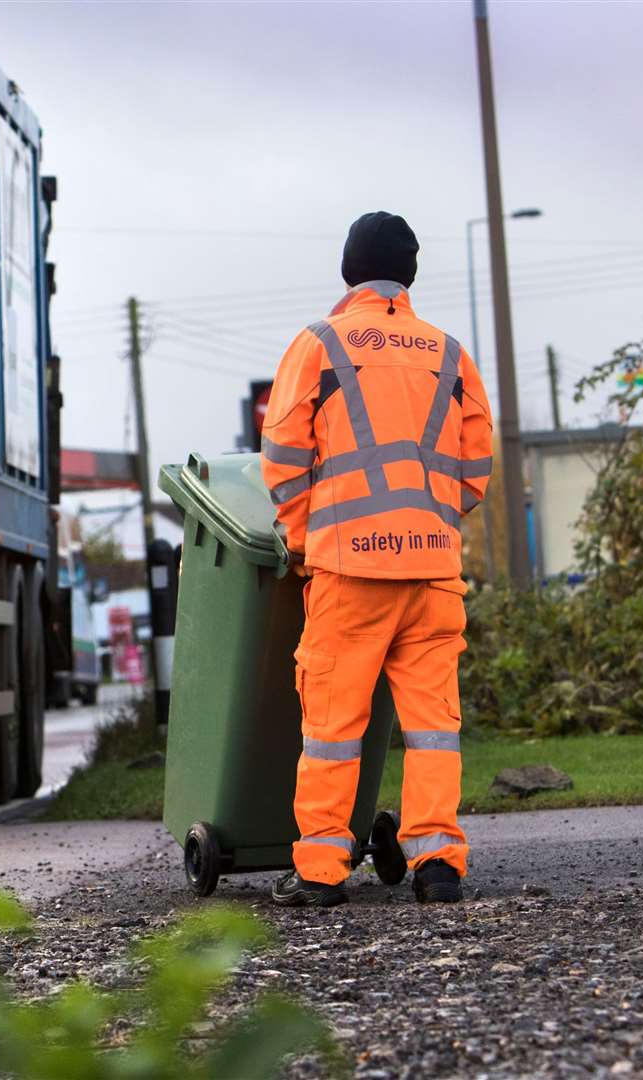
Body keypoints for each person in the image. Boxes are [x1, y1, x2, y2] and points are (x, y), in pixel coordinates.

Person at [260, 212, 494, 908]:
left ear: (347, 270)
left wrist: (307, 535)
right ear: (410, 274)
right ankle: (437, 866)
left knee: (333, 727)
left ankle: (322, 872)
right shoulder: (449, 353)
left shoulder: (319, 343)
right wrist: (427, 520)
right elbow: (475, 465)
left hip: (347, 571)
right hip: (430, 572)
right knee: (431, 728)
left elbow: (281, 454)